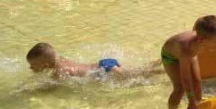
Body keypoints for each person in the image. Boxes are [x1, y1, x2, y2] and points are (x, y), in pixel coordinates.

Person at [160, 15, 216, 109]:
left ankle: (198, 108)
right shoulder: (186, 49)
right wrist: (191, 101)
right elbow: (186, 78)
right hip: (170, 56)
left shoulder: (212, 40)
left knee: (197, 81)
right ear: (202, 40)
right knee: (180, 88)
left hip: (191, 52)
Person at [26, 42, 161, 80]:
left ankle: (166, 70)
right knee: (138, 71)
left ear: (45, 64)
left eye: (33, 65)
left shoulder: (59, 72)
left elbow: (50, 88)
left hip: (105, 72)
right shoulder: (60, 59)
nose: (31, 68)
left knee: (141, 75)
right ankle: (160, 62)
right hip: (104, 63)